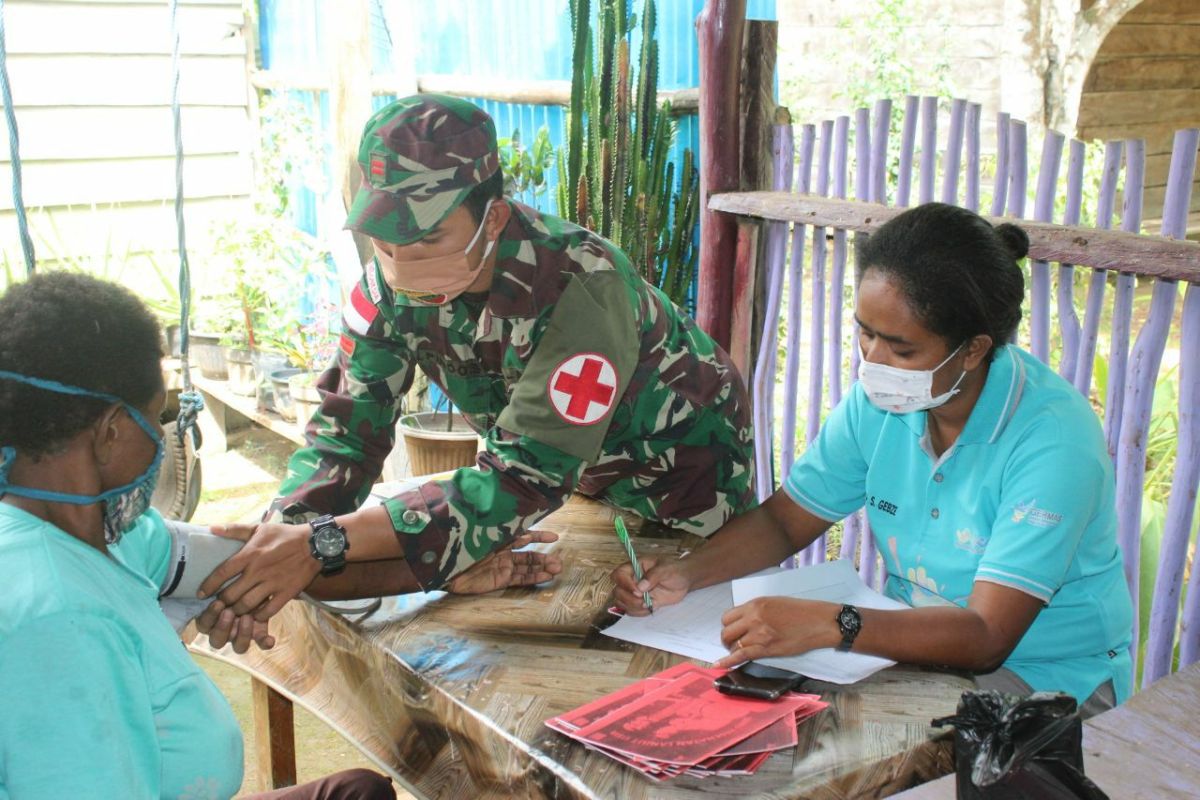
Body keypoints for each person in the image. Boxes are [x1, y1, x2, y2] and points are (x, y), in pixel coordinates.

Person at [195, 93, 754, 620]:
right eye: (386, 241)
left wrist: (322, 544)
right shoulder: (386, 289)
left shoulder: (580, 288)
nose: (401, 263)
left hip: (684, 487)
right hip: (578, 486)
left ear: (493, 218)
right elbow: (347, 435)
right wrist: (278, 538)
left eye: (427, 239)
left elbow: (522, 479)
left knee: (672, 648)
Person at [0, 272, 556, 798]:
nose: (168, 436)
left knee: (357, 792)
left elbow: (268, 564)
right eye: (159, 417)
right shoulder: (56, 621)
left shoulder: (111, 533)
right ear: (110, 432)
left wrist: (443, 568)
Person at [612, 202, 1134, 717]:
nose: (873, 360)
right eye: (865, 331)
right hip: (909, 646)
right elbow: (783, 521)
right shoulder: (884, 402)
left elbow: (987, 635)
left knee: (847, 752)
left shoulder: (1052, 442)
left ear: (973, 350)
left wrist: (835, 624)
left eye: (902, 350)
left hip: (1047, 680)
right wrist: (686, 573)